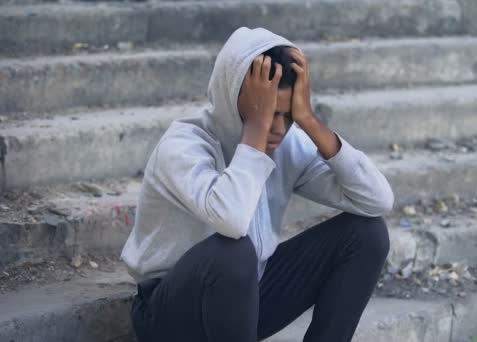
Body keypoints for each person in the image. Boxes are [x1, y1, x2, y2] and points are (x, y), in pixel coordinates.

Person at [121, 27, 394, 342]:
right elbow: (232, 221)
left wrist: (309, 121)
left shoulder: (286, 145)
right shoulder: (182, 146)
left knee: (367, 234)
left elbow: (378, 200)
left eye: (288, 115)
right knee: (234, 253)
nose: (278, 128)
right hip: (171, 314)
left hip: (244, 303)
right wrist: (255, 127)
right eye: (269, 114)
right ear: (230, 96)